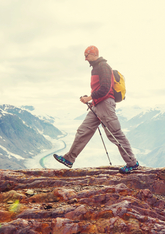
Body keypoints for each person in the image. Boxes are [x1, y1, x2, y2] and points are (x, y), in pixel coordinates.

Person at [54, 45, 139, 173]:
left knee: (115, 134)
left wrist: (89, 98)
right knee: (83, 131)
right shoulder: (95, 68)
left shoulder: (103, 66)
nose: (85, 59)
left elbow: (105, 88)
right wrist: (91, 99)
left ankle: (132, 163)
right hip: (97, 104)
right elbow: (99, 88)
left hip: (105, 105)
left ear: (94, 54)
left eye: (86, 55)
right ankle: (69, 159)